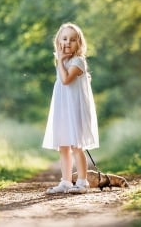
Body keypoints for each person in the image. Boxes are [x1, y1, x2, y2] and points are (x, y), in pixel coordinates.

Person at [42, 22, 99, 194]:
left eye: (73, 40)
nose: (68, 42)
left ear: (79, 44)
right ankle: (66, 181)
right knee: (64, 146)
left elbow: (66, 80)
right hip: (63, 109)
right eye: (64, 38)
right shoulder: (64, 61)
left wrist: (60, 61)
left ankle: (82, 182)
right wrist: (60, 61)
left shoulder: (78, 61)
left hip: (75, 110)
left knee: (76, 146)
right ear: (58, 41)